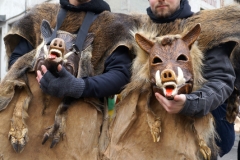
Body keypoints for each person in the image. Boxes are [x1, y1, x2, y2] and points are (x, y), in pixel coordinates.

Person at [148, 0, 236, 157]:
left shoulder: (206, 30)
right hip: (148, 144)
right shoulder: (138, 31)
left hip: (195, 145)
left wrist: (190, 103)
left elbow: (221, 81)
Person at [9, 0, 132, 100]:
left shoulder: (112, 26)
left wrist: (78, 87)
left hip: (84, 124)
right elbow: (15, 62)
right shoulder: (41, 14)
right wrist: (42, 73)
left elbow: (121, 75)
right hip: (33, 118)